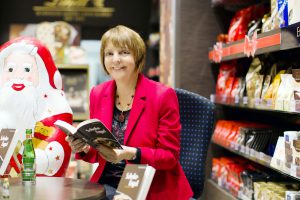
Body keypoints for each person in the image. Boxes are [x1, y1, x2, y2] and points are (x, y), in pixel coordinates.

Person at [66, 25, 193, 199]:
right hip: (108, 184)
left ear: (137, 56)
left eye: (123, 53)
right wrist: (84, 147)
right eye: (109, 54)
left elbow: (169, 157)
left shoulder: (162, 95)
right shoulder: (98, 93)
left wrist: (131, 153)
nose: (115, 60)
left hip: (150, 186)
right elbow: (98, 153)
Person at [0, 37, 72, 176]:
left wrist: (37, 159)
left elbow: (57, 150)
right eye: (10, 69)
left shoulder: (54, 107)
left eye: (27, 69)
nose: (18, 76)